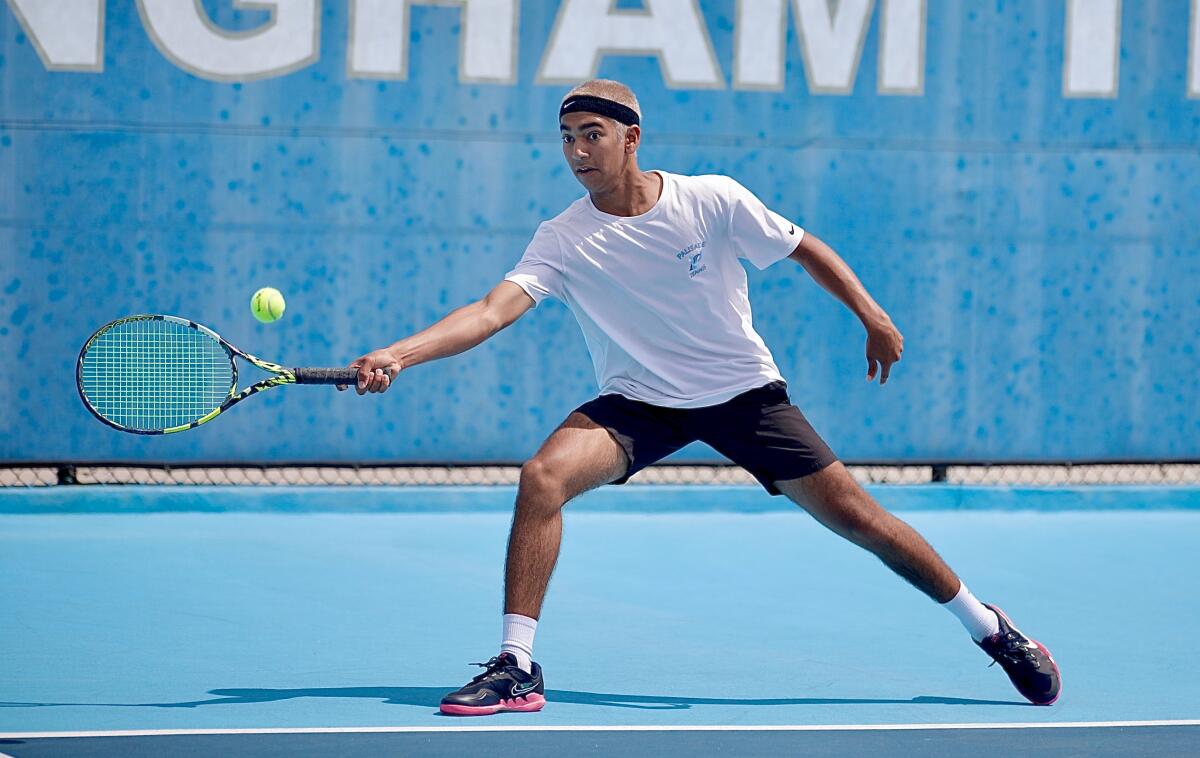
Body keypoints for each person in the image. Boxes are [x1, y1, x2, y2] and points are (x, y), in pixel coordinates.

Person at [341, 79, 1061, 716]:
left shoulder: (710, 199)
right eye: (565, 138)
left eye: (592, 135)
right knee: (543, 477)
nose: (577, 152)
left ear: (632, 138)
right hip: (639, 400)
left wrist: (870, 315)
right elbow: (491, 310)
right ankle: (517, 664)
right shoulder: (562, 238)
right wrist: (400, 354)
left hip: (743, 395)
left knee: (861, 521)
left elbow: (804, 246)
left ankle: (990, 629)